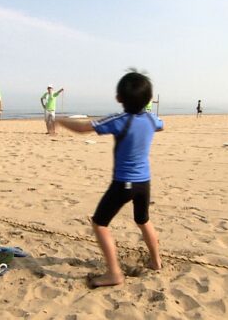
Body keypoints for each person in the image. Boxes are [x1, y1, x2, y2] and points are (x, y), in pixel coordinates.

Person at [55, 71, 164, 288]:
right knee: (143, 220)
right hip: (144, 183)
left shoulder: (120, 121)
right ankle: (156, 262)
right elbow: (161, 125)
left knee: (100, 223)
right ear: (149, 99)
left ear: (119, 98)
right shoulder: (151, 119)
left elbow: (86, 128)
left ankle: (114, 273)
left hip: (124, 183)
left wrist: (61, 121)